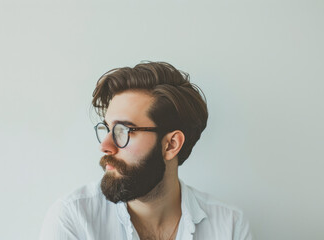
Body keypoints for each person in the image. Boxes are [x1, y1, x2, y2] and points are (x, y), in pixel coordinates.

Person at [39, 62, 253, 240]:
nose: (105, 145)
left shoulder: (229, 227)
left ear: (171, 145)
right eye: (107, 128)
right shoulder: (74, 219)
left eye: (123, 130)